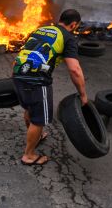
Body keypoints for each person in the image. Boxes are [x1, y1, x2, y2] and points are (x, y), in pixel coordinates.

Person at [12, 9, 88, 166]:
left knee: (30, 109)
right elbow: (74, 69)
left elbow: (25, 51)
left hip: (18, 73)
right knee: (39, 120)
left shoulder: (41, 29)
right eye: (77, 26)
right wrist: (83, 94)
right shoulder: (68, 37)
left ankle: (36, 137)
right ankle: (29, 155)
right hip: (37, 80)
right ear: (73, 24)